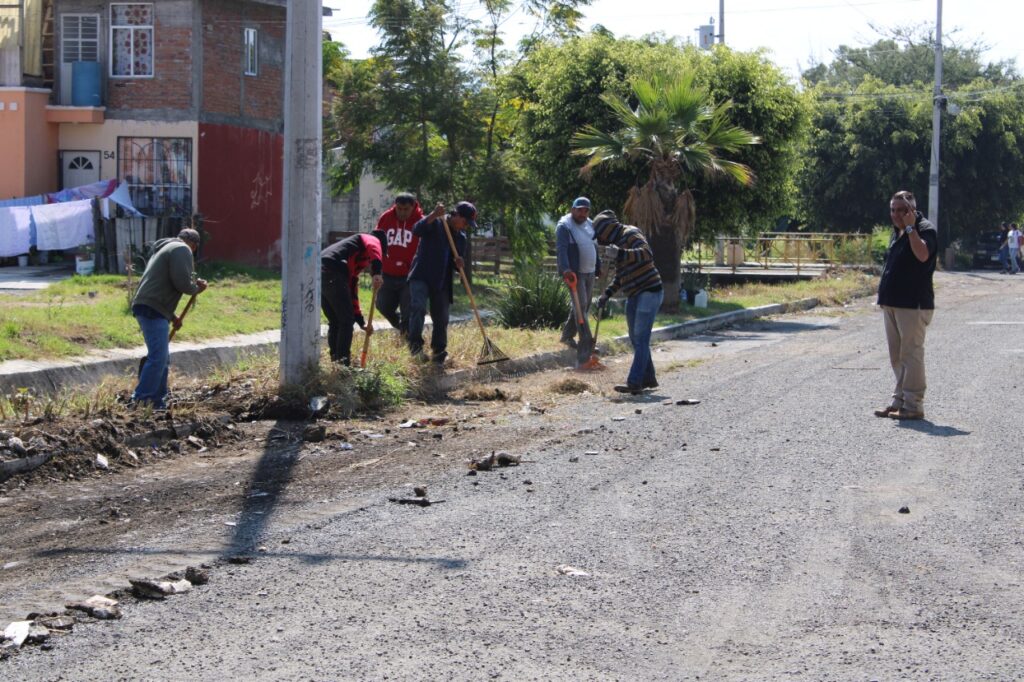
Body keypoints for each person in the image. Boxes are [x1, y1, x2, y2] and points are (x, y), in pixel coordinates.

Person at [874, 190, 937, 421]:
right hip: (892, 303)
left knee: (911, 354)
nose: (897, 215)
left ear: (913, 209)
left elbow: (922, 255)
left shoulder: (924, 229)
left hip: (913, 304)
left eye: (902, 210)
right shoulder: (897, 231)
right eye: (893, 210)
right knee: (896, 356)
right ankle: (899, 401)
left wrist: (911, 228)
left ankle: (914, 405)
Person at [130, 228, 208, 409]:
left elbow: (160, 285)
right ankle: (141, 399)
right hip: (152, 308)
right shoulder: (182, 249)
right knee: (158, 357)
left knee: (162, 358)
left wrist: (172, 317)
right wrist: (197, 288)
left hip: (150, 306)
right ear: (194, 245)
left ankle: (157, 401)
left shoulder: (166, 248)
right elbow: (181, 283)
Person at [592, 210, 663, 395]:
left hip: (649, 290)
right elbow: (620, 277)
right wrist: (606, 295)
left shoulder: (630, 233)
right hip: (634, 294)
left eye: (600, 233)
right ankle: (649, 378)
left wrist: (621, 253)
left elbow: (647, 254)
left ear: (606, 229)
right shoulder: (615, 244)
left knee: (640, 338)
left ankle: (635, 382)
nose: (599, 238)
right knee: (636, 339)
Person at [406, 201, 471, 365]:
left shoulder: (461, 237)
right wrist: (434, 214)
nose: (466, 227)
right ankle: (415, 348)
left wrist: (458, 264)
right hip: (421, 275)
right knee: (418, 307)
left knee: (441, 317)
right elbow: (416, 230)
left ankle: (439, 352)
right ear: (456, 215)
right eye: (465, 222)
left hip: (441, 280)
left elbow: (455, 265)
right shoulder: (436, 222)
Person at [320, 231, 385, 365]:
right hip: (332, 270)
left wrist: (361, 322)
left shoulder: (352, 260)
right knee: (345, 321)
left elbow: (351, 293)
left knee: (336, 321)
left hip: (319, 272)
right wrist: (377, 272)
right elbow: (375, 246)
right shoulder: (369, 239)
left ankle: (336, 362)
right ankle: (343, 365)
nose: (369, 263)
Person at [556, 196, 602, 366]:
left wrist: (599, 265)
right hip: (575, 274)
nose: (582, 213)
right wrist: (565, 269)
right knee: (581, 308)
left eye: (585, 210)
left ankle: (567, 336)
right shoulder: (564, 226)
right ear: (572, 209)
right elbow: (561, 249)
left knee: (582, 306)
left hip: (589, 272)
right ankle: (586, 344)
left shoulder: (590, 224)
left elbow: (594, 246)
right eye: (579, 209)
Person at [374, 193, 424, 336]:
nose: (402, 212)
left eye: (406, 209)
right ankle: (401, 326)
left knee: (408, 310)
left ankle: (408, 337)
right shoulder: (386, 217)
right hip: (388, 273)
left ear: (413, 207)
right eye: (399, 208)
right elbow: (376, 240)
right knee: (382, 305)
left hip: (409, 275)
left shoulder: (420, 222)